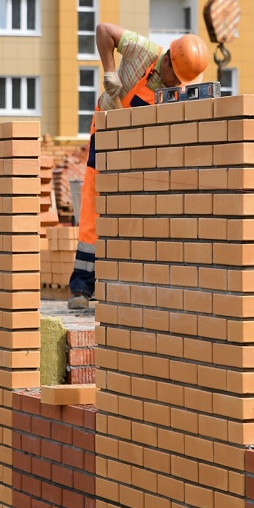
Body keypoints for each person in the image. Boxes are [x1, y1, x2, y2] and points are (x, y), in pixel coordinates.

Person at [68, 25, 209, 309]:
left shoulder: (180, 83)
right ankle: (82, 288)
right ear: (167, 60)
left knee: (136, 211)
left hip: (142, 143)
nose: (176, 87)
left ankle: (125, 283)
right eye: (175, 79)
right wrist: (110, 72)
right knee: (93, 209)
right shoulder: (143, 51)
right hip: (107, 131)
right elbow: (103, 30)